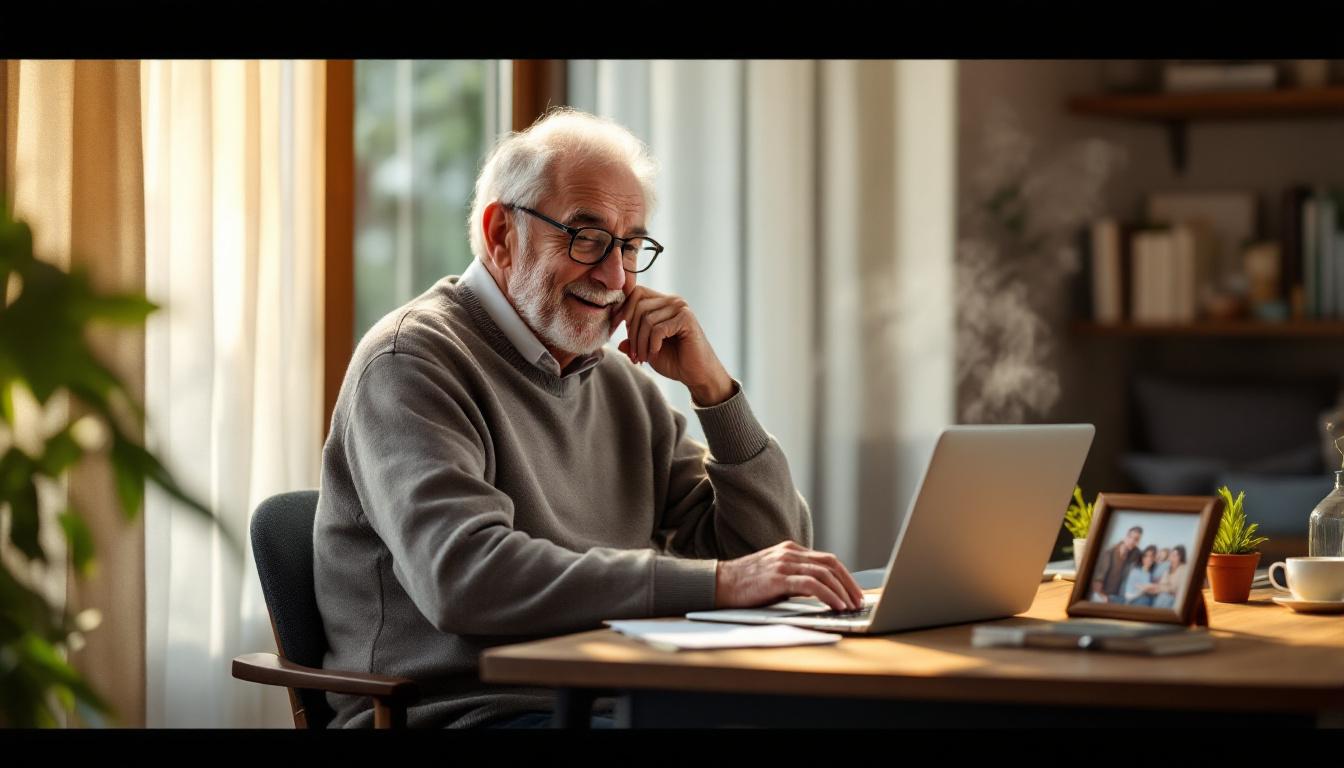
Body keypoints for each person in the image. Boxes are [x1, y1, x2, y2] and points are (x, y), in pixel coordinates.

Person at [312, 108, 864, 729]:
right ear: (501, 235)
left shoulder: (621, 384)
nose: (615, 277)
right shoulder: (410, 362)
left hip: (616, 696)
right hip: (468, 713)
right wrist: (716, 585)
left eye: (630, 245)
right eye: (586, 237)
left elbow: (768, 561)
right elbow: (466, 577)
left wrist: (717, 395)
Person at [1091, 526, 1143, 602]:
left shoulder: (1135, 553)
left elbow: (1145, 560)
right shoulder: (1109, 553)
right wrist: (1102, 596)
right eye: (1130, 537)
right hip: (1102, 595)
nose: (1132, 541)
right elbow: (1098, 579)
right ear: (1126, 537)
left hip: (1117, 597)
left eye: (1136, 540)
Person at [1151, 545, 1187, 609]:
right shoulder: (1168, 569)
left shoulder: (1183, 569)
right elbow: (1162, 584)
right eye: (1172, 555)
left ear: (1181, 557)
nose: (1173, 558)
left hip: (1173, 600)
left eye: (1176, 556)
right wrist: (1161, 587)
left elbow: (1174, 588)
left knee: (1165, 598)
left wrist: (1162, 588)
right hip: (1162, 596)